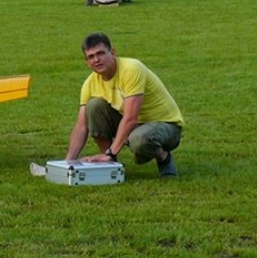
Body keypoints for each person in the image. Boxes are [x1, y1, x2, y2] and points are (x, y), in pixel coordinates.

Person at [65, 33, 184, 179]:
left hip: (165, 124)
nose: (96, 60)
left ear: (113, 52)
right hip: (135, 127)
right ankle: (110, 165)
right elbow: (81, 127)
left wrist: (111, 152)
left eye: (101, 53)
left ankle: (163, 158)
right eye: (91, 57)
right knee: (94, 106)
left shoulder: (131, 69)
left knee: (140, 140)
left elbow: (131, 118)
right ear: (87, 62)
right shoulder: (90, 83)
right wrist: (67, 163)